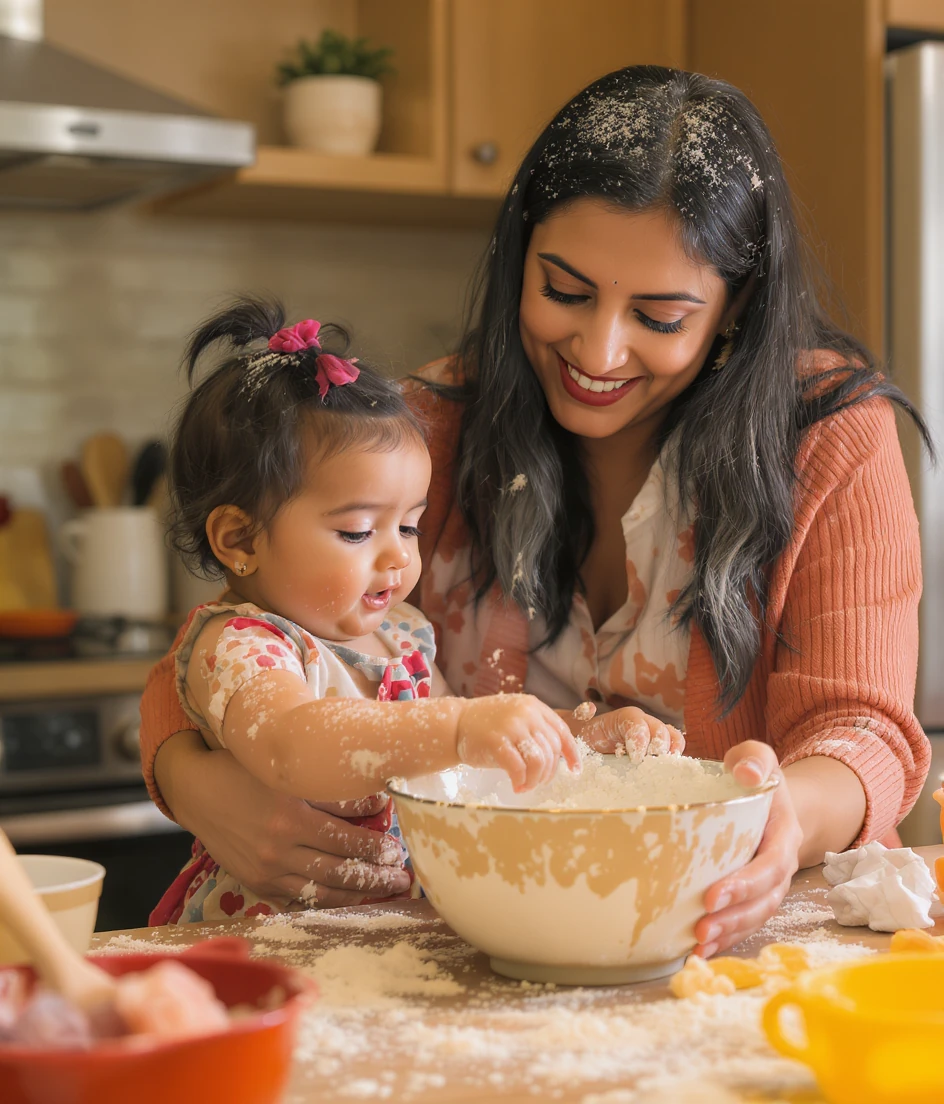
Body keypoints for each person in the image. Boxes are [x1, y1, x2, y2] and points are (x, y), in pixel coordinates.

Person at [141, 67, 931, 954]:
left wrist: (783, 816)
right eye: (564, 291)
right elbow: (234, 634)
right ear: (520, 259)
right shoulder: (428, 427)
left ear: (735, 307)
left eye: (660, 317)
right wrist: (203, 787)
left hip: (749, 941)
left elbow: (863, 731)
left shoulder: (825, 436)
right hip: (487, 947)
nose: (597, 350)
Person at [151, 297, 679, 924]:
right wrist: (458, 727)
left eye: (408, 526)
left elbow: (472, 737)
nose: (397, 558)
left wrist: (573, 737)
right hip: (266, 938)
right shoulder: (241, 644)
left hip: (382, 935)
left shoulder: (403, 635)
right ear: (239, 540)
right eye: (356, 533)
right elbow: (291, 743)